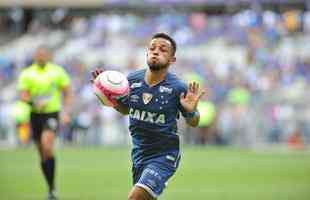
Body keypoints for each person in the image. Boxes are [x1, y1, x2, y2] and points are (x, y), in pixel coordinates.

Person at [92, 33, 204, 200]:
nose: (155, 52)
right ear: (146, 54)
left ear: (172, 59)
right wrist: (110, 98)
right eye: (152, 48)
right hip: (139, 153)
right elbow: (125, 110)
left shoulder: (177, 87)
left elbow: (194, 122)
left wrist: (190, 111)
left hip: (164, 155)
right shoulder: (131, 81)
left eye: (162, 49)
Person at [17, 46, 72, 200]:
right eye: (38, 55)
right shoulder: (27, 73)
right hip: (35, 115)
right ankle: (51, 188)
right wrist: (33, 102)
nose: (41, 57)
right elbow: (22, 94)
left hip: (51, 114)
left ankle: (52, 189)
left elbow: (67, 91)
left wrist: (66, 111)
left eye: (43, 54)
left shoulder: (57, 71)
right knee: (42, 153)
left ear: (48, 56)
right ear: (35, 56)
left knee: (47, 146)